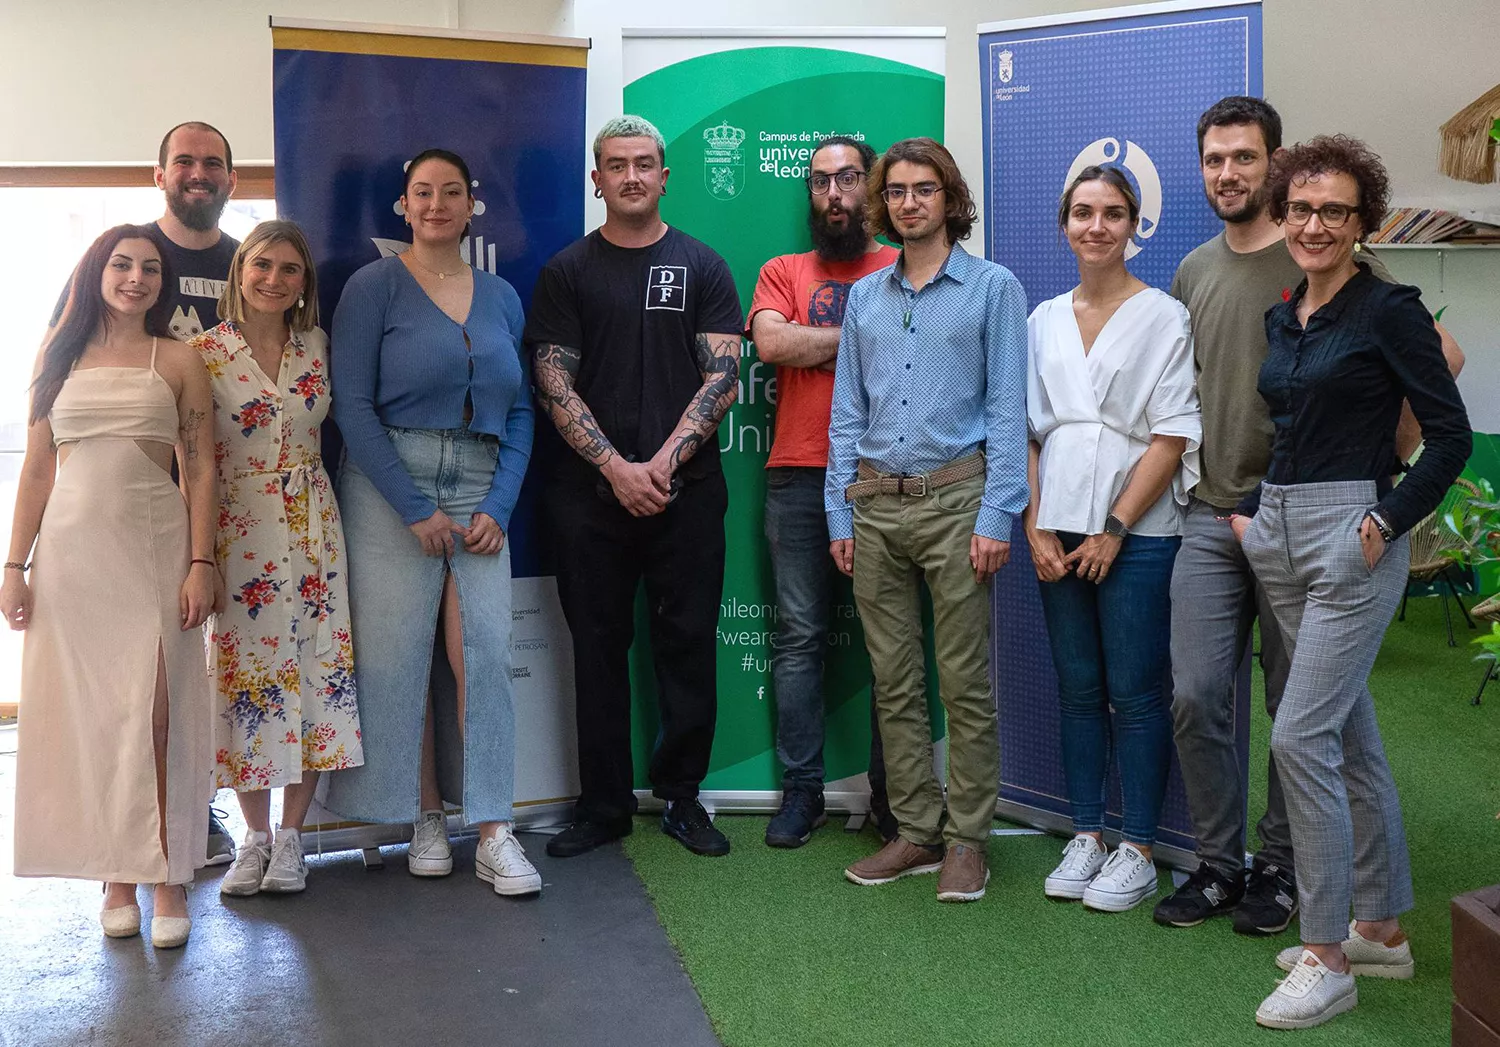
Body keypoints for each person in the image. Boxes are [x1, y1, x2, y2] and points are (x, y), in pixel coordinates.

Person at [1155, 97, 1466, 936]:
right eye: (1215, 159)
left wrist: (1382, 488)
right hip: (1227, 518)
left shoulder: (1353, 283)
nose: (1229, 173)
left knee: (1301, 717)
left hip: (1326, 522)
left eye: (1245, 158)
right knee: (1198, 696)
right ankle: (1226, 867)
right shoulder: (1213, 277)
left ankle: (1289, 877)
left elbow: (1443, 373)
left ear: (1276, 162)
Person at [1237, 136, 1470, 1030]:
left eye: (1335, 210)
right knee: (1351, 737)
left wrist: (1381, 521)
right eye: (1301, 208)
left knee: (1299, 736)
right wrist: (1259, 511)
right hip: (1283, 528)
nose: (1315, 223)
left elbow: (1447, 437)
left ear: (1363, 220)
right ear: (1283, 215)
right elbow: (1292, 426)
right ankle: (1382, 926)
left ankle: (1327, 953)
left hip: (1351, 532)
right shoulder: (1287, 312)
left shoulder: (1390, 310)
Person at [323, 148, 541, 898]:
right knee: (398, 657)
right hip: (389, 484)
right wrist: (414, 509)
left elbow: (519, 410)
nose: (438, 203)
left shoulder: (503, 297)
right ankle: (421, 816)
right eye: (424, 192)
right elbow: (350, 406)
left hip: (482, 483)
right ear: (404, 206)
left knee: (480, 652)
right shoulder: (373, 286)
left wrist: (499, 505)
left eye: (452, 192)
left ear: (471, 205)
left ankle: (493, 829)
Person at [526, 116, 743, 859]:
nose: (631, 176)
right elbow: (554, 382)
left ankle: (684, 799)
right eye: (615, 165)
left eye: (644, 164)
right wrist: (617, 468)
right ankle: (604, 805)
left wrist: (662, 466)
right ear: (597, 179)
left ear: (664, 175)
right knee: (597, 647)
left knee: (686, 646)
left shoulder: (704, 265)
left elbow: (724, 377)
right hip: (589, 498)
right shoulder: (567, 272)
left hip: (688, 492)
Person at [4, 225, 216, 948]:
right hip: (71, 559)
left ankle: (166, 873)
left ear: (164, 283)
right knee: (95, 720)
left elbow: (202, 467)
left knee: (154, 716)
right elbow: (36, 471)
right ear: (96, 270)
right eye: (123, 264)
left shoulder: (180, 358)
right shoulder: (55, 356)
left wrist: (202, 559)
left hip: (153, 550)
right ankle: (117, 875)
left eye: (150, 268)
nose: (136, 278)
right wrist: (13, 565)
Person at [829, 138, 1028, 903]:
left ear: (951, 198)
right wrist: (838, 510)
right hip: (875, 505)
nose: (910, 202)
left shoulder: (992, 288)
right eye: (899, 191)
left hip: (957, 503)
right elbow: (848, 413)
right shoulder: (868, 298)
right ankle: (915, 829)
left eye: (925, 189)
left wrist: (998, 514)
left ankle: (967, 840)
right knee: (894, 680)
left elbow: (1009, 408)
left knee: (966, 683)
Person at [1025, 167, 1201, 912]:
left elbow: (1171, 434)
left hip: (1139, 529)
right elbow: (1028, 433)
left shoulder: (1163, 315)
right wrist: (1035, 522)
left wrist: (1116, 528)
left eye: (1114, 213)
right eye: (1084, 212)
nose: (1097, 226)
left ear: (1135, 225)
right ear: (1064, 222)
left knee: (1135, 692)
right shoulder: (1041, 319)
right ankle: (1087, 832)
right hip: (1056, 526)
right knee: (1078, 689)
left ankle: (1137, 847)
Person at [190, 221, 363, 897]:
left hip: (315, 526)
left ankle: (293, 838)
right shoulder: (204, 353)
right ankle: (253, 836)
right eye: (262, 264)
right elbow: (193, 460)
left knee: (318, 674)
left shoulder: (317, 346)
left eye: (289, 269)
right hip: (239, 531)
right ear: (239, 271)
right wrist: (197, 553)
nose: (274, 278)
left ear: (304, 284)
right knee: (244, 682)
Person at [747, 135, 899, 848]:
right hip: (798, 474)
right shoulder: (781, 269)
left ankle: (892, 799)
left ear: (870, 188)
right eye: (819, 181)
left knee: (888, 645)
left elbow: (922, 346)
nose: (832, 193)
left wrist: (824, 337)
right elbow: (775, 347)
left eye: (846, 179)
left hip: (888, 478)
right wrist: (869, 332)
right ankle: (801, 792)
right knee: (799, 639)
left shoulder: (904, 264)